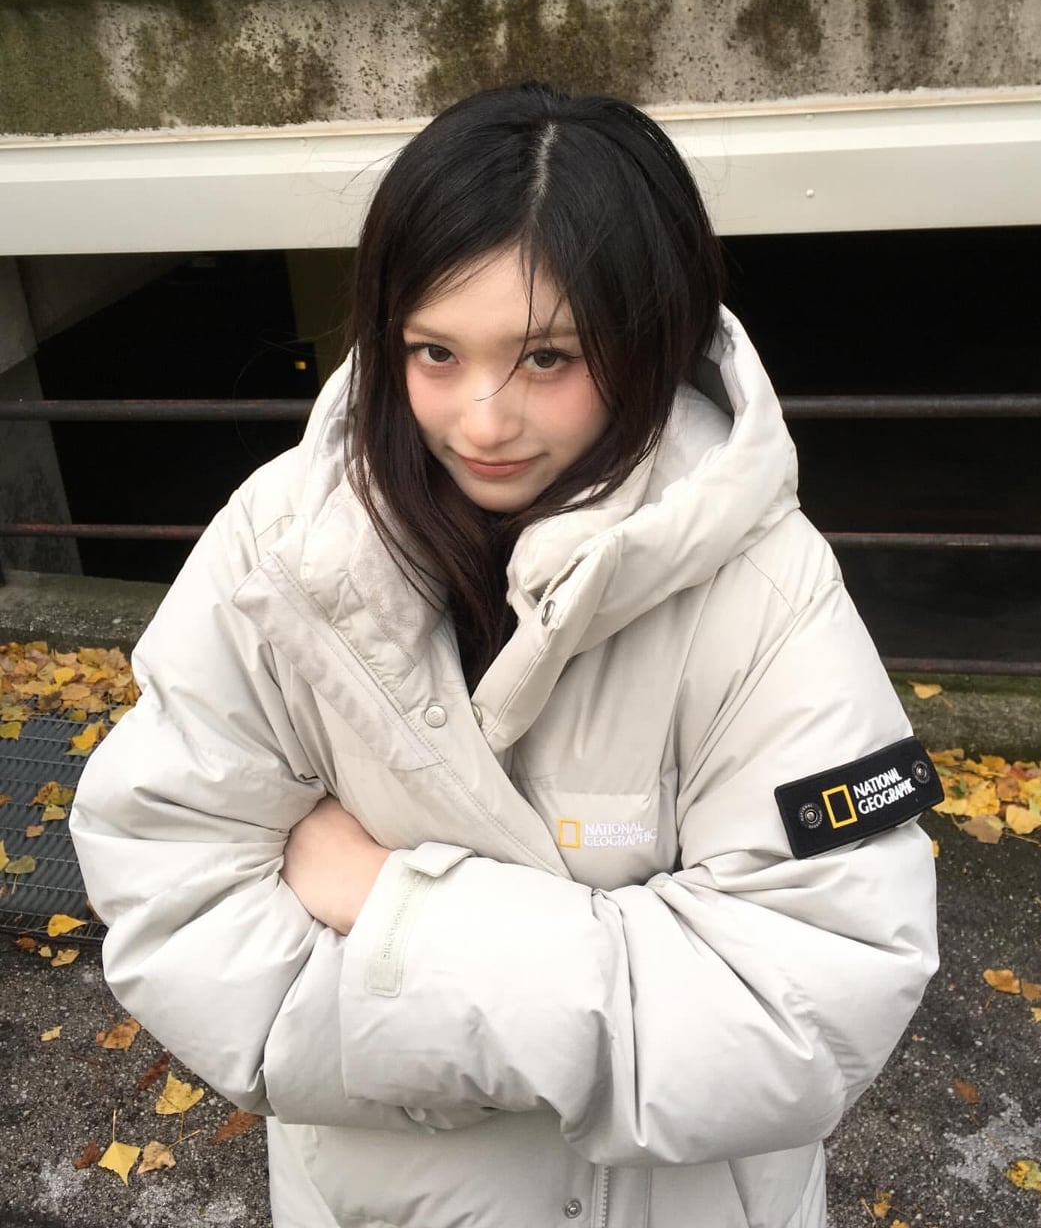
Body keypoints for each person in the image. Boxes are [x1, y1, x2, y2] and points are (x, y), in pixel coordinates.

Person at [71, 83, 941, 1228]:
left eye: (545, 357)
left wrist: (389, 909)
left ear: (647, 335)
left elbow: (807, 1001)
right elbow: (171, 877)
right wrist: (593, 1005)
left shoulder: (761, 586)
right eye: (435, 351)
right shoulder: (283, 545)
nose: (482, 421)